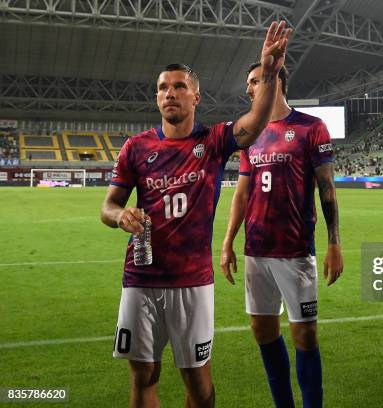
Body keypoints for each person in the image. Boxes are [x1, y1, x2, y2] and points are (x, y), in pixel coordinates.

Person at [100, 21, 292, 408]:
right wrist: (120, 216)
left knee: (199, 384)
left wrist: (269, 72)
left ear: (196, 97)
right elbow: (108, 206)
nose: (170, 93)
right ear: (157, 98)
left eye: (179, 86)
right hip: (141, 278)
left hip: (193, 281)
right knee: (143, 375)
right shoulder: (135, 148)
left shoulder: (213, 140)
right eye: (163, 88)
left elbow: (255, 122)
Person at [219, 62, 343, 408]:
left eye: (254, 81)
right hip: (256, 251)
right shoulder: (249, 133)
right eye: (248, 83)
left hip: (295, 250)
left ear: (276, 82)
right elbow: (242, 192)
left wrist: (334, 242)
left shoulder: (311, 127)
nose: (248, 88)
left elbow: (327, 188)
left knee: (304, 334)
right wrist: (228, 241)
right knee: (263, 332)